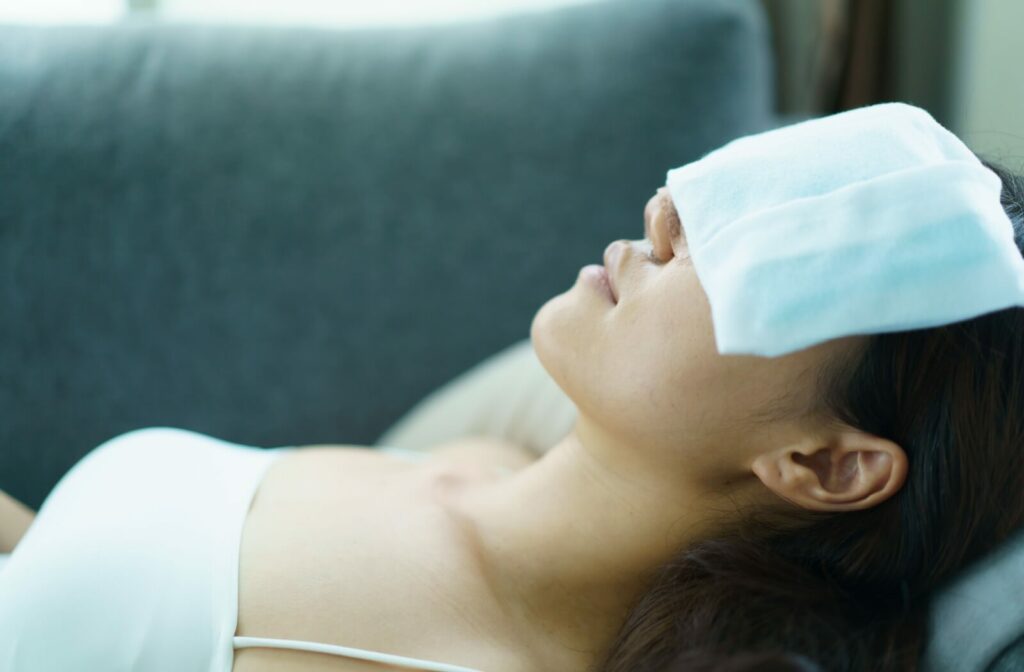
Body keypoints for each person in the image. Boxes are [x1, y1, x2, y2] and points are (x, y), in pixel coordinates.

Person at [2, 154, 1023, 672]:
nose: (666, 220)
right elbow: (59, 586)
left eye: (781, 258)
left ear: (825, 466)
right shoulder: (471, 458)